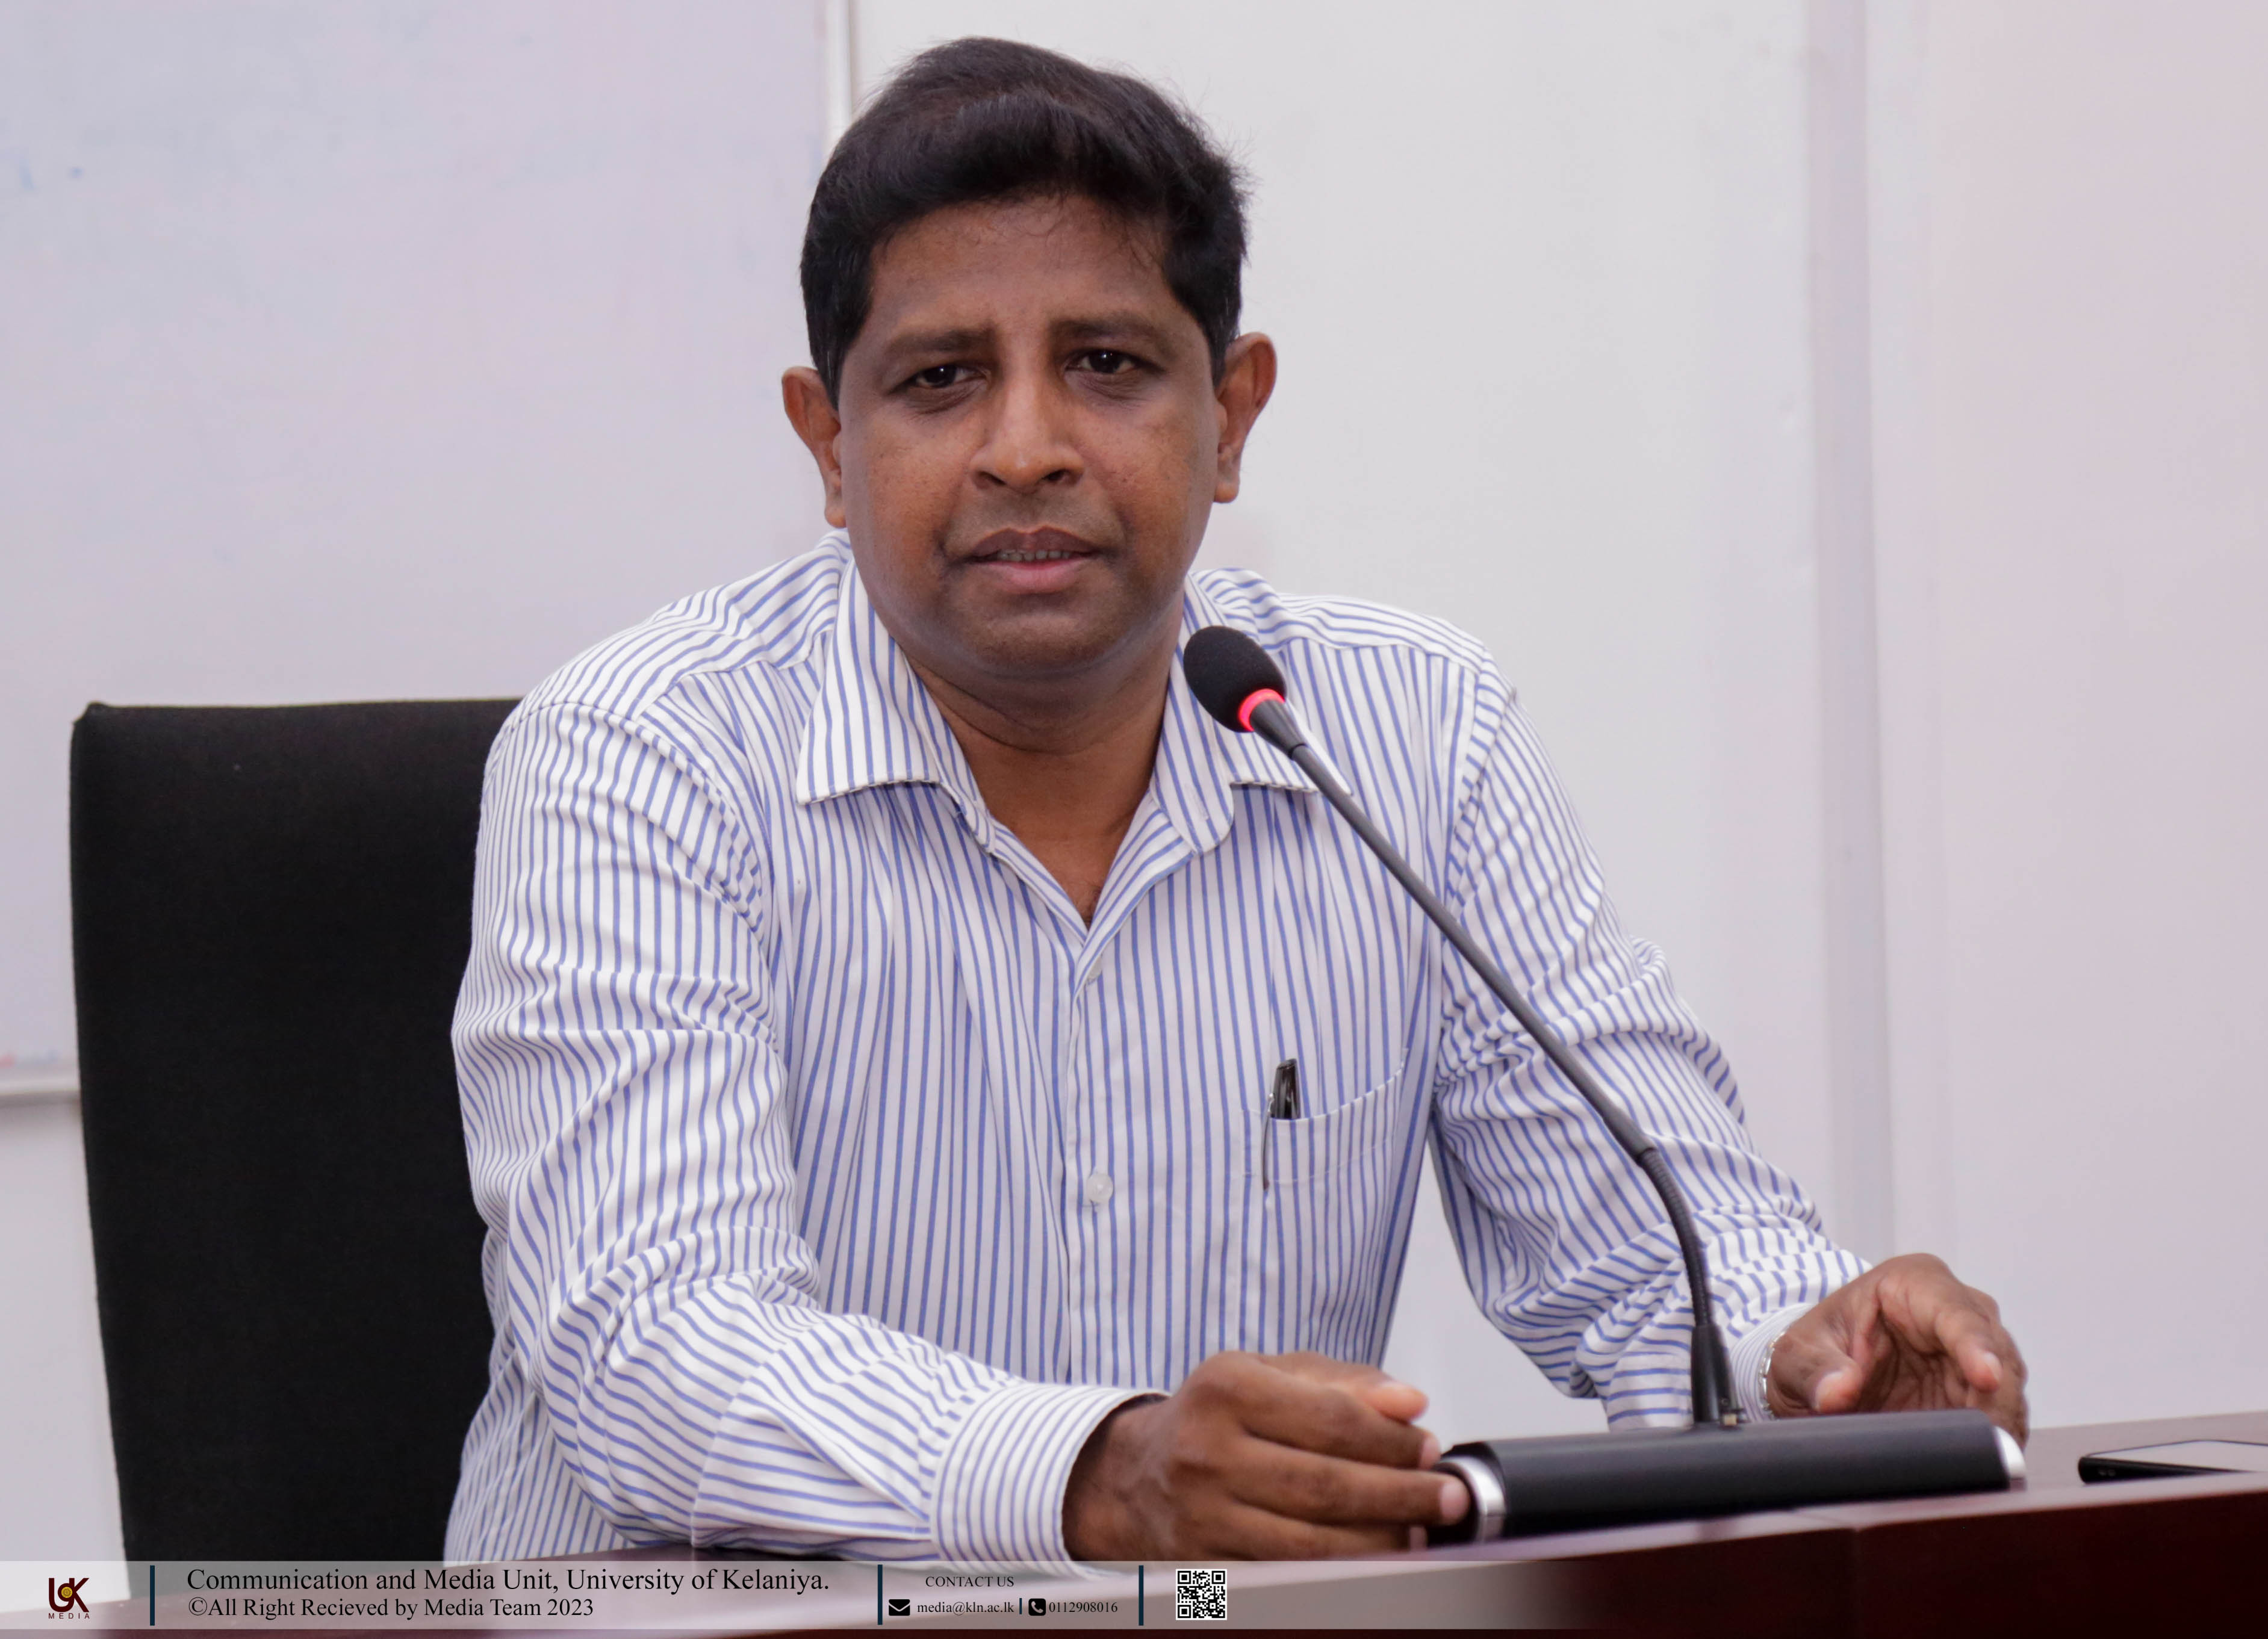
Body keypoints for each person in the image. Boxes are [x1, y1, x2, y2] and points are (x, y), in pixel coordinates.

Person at [445, 37, 2026, 1565]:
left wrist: (1811, 1354)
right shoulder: (641, 752)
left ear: (1233, 417)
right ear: (830, 444)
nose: (1026, 448)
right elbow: (653, 1347)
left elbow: (1646, 1242)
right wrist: (1098, 1471)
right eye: (940, 379)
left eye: (1107, 366)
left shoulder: (1409, 734)